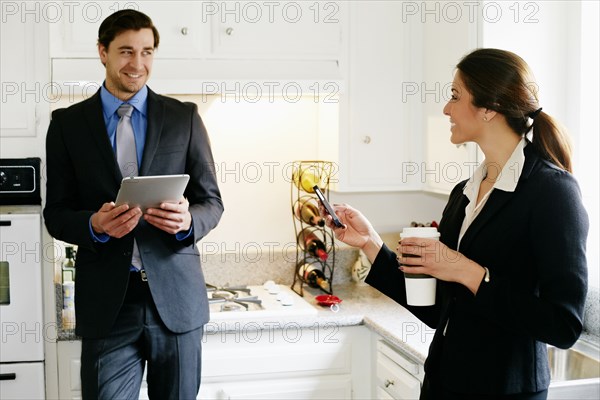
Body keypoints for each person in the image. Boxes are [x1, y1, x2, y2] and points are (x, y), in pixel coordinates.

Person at [324, 48, 588, 400]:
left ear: (489, 108)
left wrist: (467, 271)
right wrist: (370, 243)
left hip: (505, 391)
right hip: (443, 381)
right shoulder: (465, 192)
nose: (446, 109)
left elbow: (563, 324)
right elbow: (435, 307)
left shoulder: (552, 192)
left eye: (455, 96)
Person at [44, 9, 223, 399]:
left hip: (176, 303)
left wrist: (187, 220)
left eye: (147, 52)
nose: (137, 64)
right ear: (102, 52)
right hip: (108, 305)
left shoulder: (185, 118)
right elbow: (55, 214)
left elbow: (211, 202)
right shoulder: (67, 125)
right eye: (126, 51)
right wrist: (94, 224)